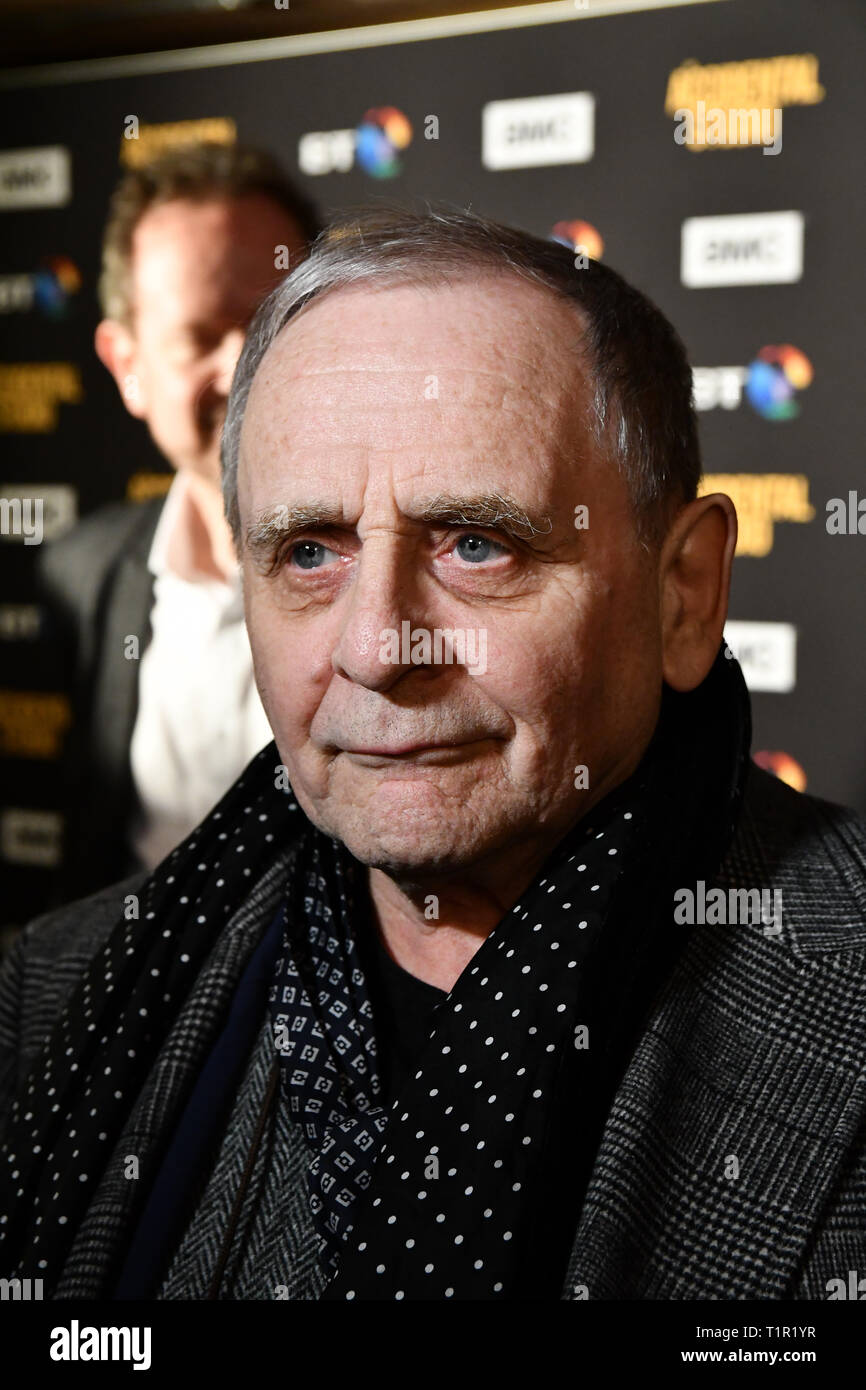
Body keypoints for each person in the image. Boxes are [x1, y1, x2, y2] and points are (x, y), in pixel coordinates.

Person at [2, 207, 864, 1302]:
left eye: (474, 543)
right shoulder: (54, 994)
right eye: (308, 551)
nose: (375, 649)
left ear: (681, 593)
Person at [37, 141, 320, 902]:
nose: (241, 368)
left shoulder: (429, 571)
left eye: (272, 323)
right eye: (201, 336)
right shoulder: (80, 575)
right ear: (126, 364)